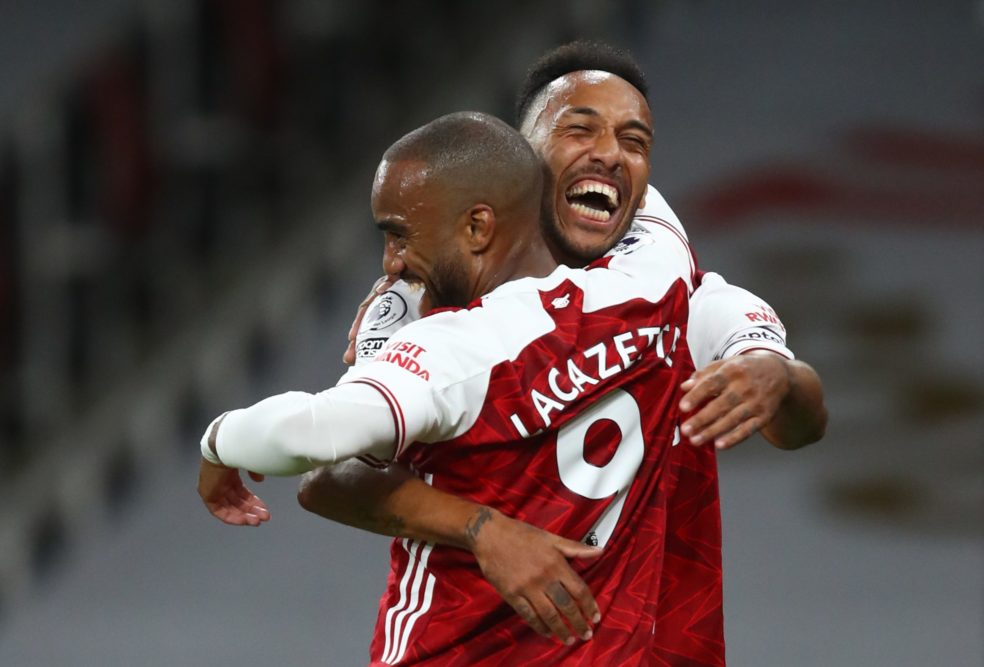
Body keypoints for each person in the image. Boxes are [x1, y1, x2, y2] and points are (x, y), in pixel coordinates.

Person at [298, 41, 827, 665]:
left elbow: (802, 423)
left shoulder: (670, 290)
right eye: (580, 128)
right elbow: (328, 475)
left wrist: (776, 378)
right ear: (522, 157)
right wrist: (484, 530)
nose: (610, 152)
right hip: (464, 648)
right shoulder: (423, 301)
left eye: (635, 142)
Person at [199, 111, 718, 664]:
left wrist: (217, 442)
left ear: (477, 228)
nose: (390, 262)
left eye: (399, 235)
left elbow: (311, 438)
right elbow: (637, 190)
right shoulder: (647, 283)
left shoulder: (458, 350)